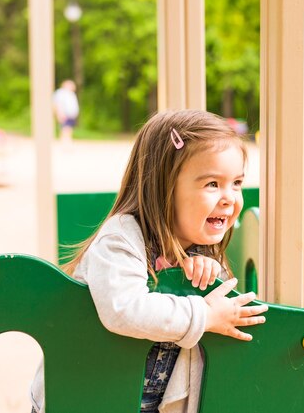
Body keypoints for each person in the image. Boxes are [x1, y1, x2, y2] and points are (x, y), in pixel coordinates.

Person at [30, 109, 269, 413]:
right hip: (83, 395)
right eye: (212, 184)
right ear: (162, 187)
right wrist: (205, 314)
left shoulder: (198, 249)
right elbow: (124, 309)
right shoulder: (120, 240)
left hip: (141, 402)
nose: (229, 197)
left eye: (236, 183)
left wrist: (205, 281)